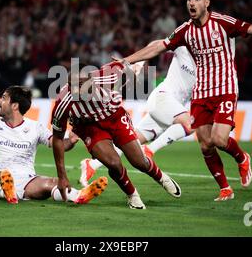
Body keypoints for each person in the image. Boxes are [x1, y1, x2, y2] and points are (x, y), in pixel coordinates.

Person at [118, 0, 252, 201]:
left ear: (207, 2)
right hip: (201, 93)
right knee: (205, 144)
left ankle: (242, 157)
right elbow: (158, 46)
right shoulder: (185, 31)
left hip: (225, 89)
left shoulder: (223, 23)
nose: (191, 3)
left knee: (220, 139)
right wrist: (127, 60)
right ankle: (225, 188)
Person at [51, 61, 182, 210]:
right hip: (90, 128)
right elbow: (57, 139)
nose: (78, 90)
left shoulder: (107, 75)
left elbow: (128, 66)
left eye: (81, 84)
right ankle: (132, 195)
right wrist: (62, 176)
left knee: (139, 162)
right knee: (113, 163)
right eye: (74, 86)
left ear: (92, 80)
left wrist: (132, 71)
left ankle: (160, 177)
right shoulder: (63, 102)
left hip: (114, 118)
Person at [79, 46, 197, 187]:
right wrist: (139, 63)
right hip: (164, 99)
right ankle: (150, 149)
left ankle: (92, 164)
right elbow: (157, 46)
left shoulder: (213, 63)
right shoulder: (186, 42)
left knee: (133, 140)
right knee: (194, 124)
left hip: (176, 105)